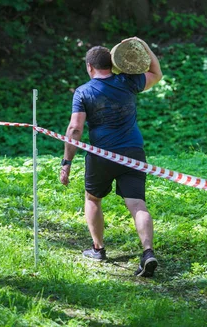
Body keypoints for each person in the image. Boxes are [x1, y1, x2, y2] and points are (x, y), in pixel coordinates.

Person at [59, 37, 163, 277]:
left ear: (89, 67)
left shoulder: (83, 91)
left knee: (93, 198)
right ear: (113, 63)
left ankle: (98, 248)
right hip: (133, 152)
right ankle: (148, 252)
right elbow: (156, 73)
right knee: (137, 203)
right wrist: (142, 45)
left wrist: (67, 162)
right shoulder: (128, 81)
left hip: (101, 155)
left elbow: (75, 129)